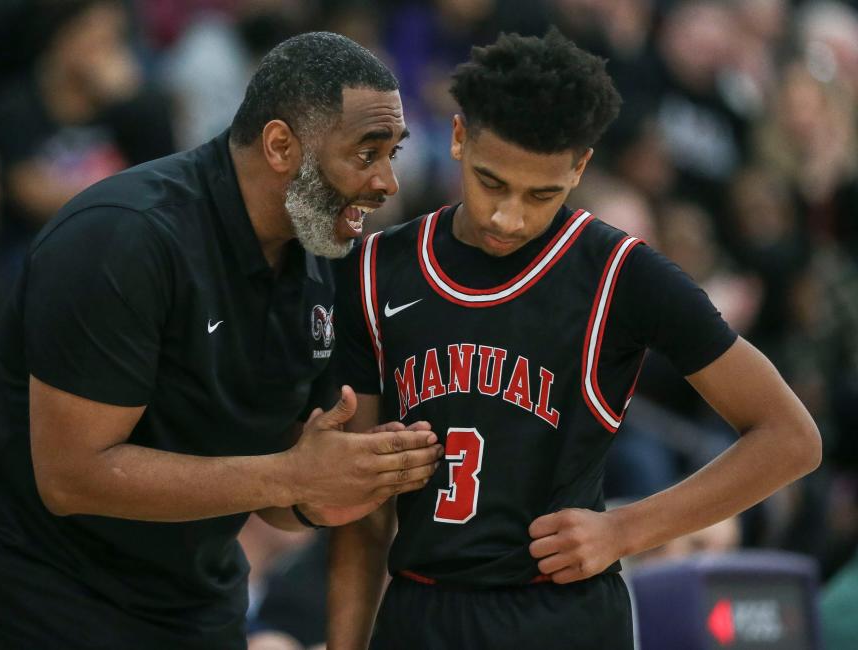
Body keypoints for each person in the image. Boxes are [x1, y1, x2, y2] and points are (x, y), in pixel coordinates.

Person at [0, 32, 443, 650]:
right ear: (280, 146)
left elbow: (275, 483)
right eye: (366, 153)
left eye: (393, 153)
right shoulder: (125, 238)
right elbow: (72, 476)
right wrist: (290, 478)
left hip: (192, 603)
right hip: (35, 598)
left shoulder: (323, 260)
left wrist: (331, 490)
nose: (388, 182)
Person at [327, 31, 821, 650]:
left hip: (559, 616)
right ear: (457, 138)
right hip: (420, 608)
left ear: (580, 168)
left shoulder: (621, 272)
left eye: (542, 195)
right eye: (491, 182)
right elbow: (363, 512)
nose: (509, 216)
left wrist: (627, 530)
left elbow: (791, 438)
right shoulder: (375, 269)